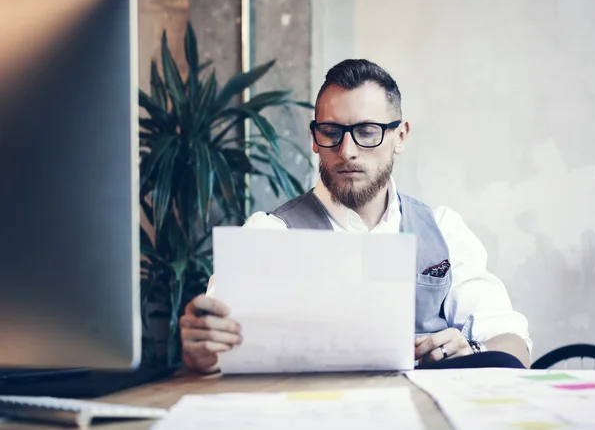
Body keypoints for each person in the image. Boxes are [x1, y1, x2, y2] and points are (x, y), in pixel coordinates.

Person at [179, 59, 532, 374]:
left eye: (366, 132)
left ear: (400, 135)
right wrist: (202, 352)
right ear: (315, 138)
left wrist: (474, 349)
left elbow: (515, 346)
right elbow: (214, 357)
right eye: (331, 132)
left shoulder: (444, 229)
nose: (347, 152)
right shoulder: (268, 234)